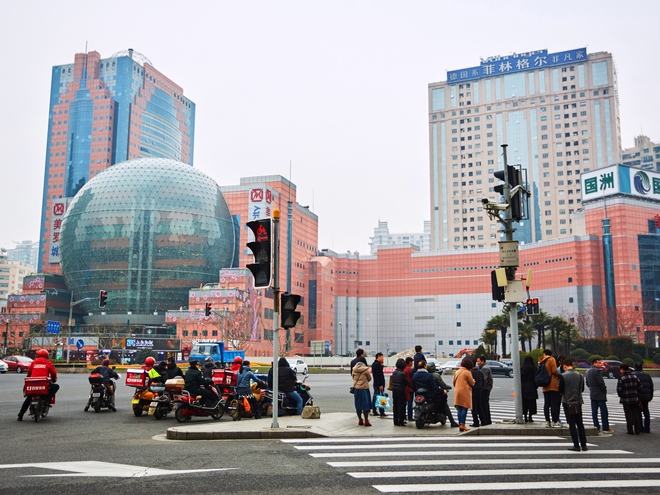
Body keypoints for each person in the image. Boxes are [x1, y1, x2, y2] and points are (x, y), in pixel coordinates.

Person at [18, 349, 60, 421]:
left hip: (32, 384)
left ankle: (20, 415)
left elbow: (29, 373)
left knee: (28, 399)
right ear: (47, 356)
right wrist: (54, 379)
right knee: (56, 387)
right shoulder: (48, 363)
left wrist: (29, 379)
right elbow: (53, 373)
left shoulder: (33, 362)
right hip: (43, 385)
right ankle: (47, 399)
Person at [558, 359, 588, 452]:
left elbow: (560, 390)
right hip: (578, 402)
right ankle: (584, 445)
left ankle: (576, 445)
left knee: (572, 424)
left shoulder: (563, 376)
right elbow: (582, 389)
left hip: (567, 402)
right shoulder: (580, 375)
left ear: (565, 366)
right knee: (580, 423)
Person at [585, 357, 613, 434]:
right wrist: (604, 389)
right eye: (598, 362)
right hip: (599, 393)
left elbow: (587, 382)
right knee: (604, 411)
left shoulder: (588, 371)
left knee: (594, 412)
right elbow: (600, 382)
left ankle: (596, 427)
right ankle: (605, 428)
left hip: (592, 393)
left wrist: (591, 388)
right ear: (594, 363)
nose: (600, 364)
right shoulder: (597, 371)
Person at [427, 362, 459, 427]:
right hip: (435, 394)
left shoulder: (425, 374)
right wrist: (448, 387)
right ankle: (452, 422)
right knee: (445, 405)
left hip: (426, 394)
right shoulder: (436, 375)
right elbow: (442, 384)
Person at [617, 362, 642, 435]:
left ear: (622, 369)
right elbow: (640, 386)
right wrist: (636, 392)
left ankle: (630, 430)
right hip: (634, 398)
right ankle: (637, 430)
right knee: (636, 414)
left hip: (626, 398)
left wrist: (621, 395)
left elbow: (619, 389)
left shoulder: (621, 377)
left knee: (628, 415)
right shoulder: (634, 376)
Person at [452, 357, 476, 431]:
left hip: (457, 391)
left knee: (459, 408)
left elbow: (453, 382)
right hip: (465, 391)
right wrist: (474, 381)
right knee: (464, 408)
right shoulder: (467, 372)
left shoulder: (457, 372)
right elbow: (472, 383)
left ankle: (460, 424)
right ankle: (463, 424)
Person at [539, 349, 561, 427]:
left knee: (546, 404)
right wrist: (559, 375)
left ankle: (547, 421)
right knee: (554, 404)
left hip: (545, 384)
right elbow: (554, 371)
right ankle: (554, 421)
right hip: (552, 384)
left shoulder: (541, 360)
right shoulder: (551, 359)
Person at [632, 362, 654, 433]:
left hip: (637, 396)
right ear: (642, 367)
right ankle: (647, 428)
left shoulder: (633, 375)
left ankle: (640, 427)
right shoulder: (647, 375)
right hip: (646, 396)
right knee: (646, 412)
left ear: (634, 367)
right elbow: (651, 386)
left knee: (638, 412)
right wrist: (650, 396)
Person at [351, 355, 372, 426]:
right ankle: (366, 420)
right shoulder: (365, 369)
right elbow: (369, 378)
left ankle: (360, 419)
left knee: (358, 405)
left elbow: (353, 377)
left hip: (357, 389)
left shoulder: (354, 369)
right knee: (365, 405)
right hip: (364, 389)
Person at [390, 359, 408, 426]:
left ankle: (395, 421)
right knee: (401, 406)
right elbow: (406, 382)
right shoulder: (402, 374)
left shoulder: (394, 372)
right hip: (401, 390)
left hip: (394, 390)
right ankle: (401, 420)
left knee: (395, 405)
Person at [520, 355, 538, 422]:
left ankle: (525, 416)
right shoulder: (534, 369)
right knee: (531, 403)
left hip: (523, 388)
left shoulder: (521, 369)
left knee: (524, 403)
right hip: (532, 388)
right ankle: (530, 416)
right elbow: (536, 378)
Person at [476, 355, 493, 426]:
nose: (477, 363)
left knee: (484, 405)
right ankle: (487, 420)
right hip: (486, 388)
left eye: (478, 361)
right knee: (485, 404)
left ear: (482, 361)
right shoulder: (484, 367)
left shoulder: (485, 369)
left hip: (485, 389)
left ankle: (485, 420)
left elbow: (483, 379)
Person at [470, 358, 485, 427]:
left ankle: (475, 422)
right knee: (480, 406)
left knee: (473, 407)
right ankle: (483, 420)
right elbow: (483, 382)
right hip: (480, 390)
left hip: (473, 391)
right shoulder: (480, 372)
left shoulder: (470, 372)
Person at [371, 352, 387, 417]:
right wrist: (380, 385)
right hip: (379, 384)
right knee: (381, 398)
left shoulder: (375, 364)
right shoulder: (377, 365)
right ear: (379, 357)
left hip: (376, 384)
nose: (383, 359)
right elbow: (378, 375)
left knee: (376, 397)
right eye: (382, 357)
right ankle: (381, 412)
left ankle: (374, 410)